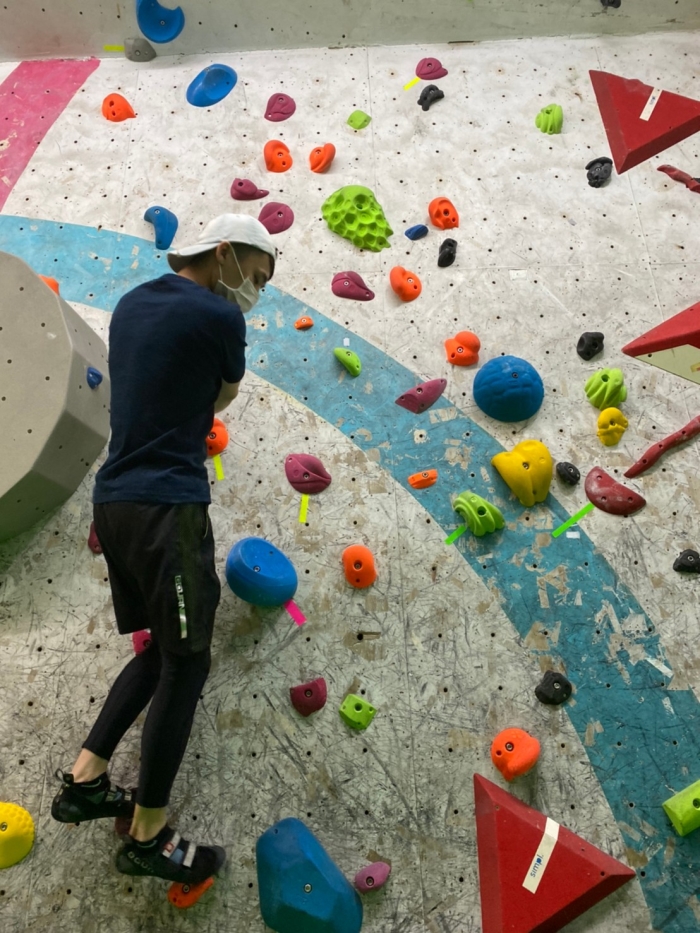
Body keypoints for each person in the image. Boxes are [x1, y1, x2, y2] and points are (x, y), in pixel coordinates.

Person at [50, 214, 277, 886]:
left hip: (114, 502)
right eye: (256, 276)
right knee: (188, 660)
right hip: (167, 507)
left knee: (158, 652)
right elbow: (222, 398)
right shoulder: (220, 316)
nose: (254, 292)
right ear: (224, 253)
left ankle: (86, 781)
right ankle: (149, 835)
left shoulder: (131, 304)